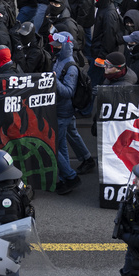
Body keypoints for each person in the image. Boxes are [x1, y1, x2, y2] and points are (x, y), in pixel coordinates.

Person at [51, 32, 94, 194]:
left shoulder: (70, 67)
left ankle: (69, 177)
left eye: (58, 45)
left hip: (63, 111)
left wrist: (54, 80)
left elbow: (68, 92)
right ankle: (71, 172)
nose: (54, 47)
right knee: (65, 140)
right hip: (62, 110)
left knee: (55, 146)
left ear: (66, 47)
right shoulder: (60, 60)